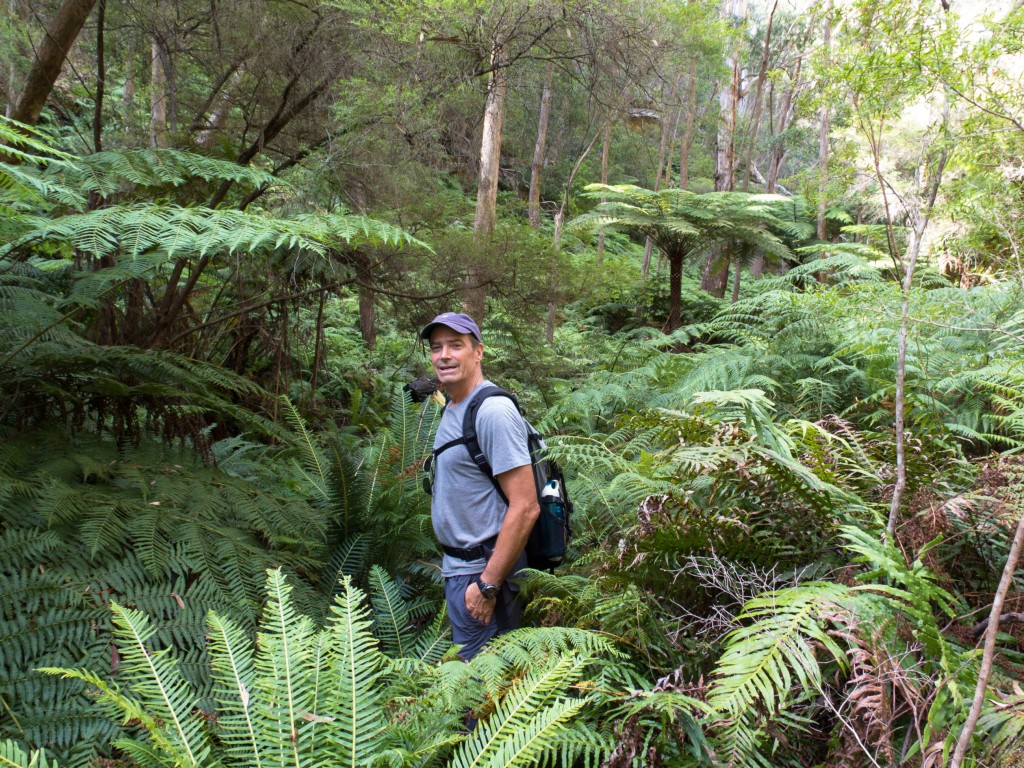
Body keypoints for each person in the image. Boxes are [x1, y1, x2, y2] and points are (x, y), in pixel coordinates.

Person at [420, 312, 539, 660]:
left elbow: (526, 505)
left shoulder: (492, 412)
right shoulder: (455, 405)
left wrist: (487, 585)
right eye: (436, 348)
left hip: (485, 575)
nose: (444, 355)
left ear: (478, 352)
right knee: (477, 690)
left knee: (490, 700)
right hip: (462, 571)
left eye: (455, 346)